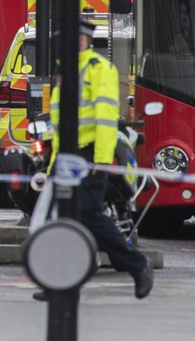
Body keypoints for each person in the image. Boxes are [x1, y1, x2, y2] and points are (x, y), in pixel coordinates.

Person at [48, 18, 153, 299]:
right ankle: (60, 280)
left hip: (91, 154)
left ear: (84, 40)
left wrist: (101, 160)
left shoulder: (98, 69)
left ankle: (138, 265)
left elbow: (106, 118)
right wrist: (53, 165)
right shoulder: (67, 71)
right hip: (68, 157)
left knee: (88, 214)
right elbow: (61, 125)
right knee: (58, 218)